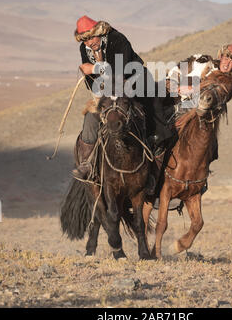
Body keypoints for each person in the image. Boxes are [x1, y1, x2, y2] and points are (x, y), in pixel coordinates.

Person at [72, 15, 174, 193]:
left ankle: (153, 173)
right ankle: (87, 164)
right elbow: (90, 82)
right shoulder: (85, 48)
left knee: (153, 119)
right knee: (90, 117)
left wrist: (94, 69)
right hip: (108, 91)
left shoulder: (117, 40)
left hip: (137, 84)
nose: (88, 43)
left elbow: (121, 71)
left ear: (98, 31)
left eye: (90, 37)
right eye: (84, 40)